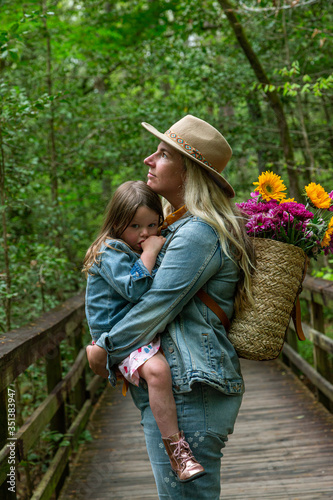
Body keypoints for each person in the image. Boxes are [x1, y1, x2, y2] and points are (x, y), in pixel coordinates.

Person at [86, 115, 255, 499]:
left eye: (162, 154)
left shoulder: (196, 232)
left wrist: (104, 349)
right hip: (183, 388)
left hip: (191, 391)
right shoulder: (178, 228)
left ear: (188, 173)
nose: (149, 159)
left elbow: (156, 307)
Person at [83, 180, 205, 482]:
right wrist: (150, 251)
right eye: (135, 226)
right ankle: (179, 455)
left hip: (138, 330)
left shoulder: (132, 244)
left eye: (152, 224)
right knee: (159, 372)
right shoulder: (109, 250)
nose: (145, 234)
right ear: (116, 224)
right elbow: (134, 288)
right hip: (119, 334)